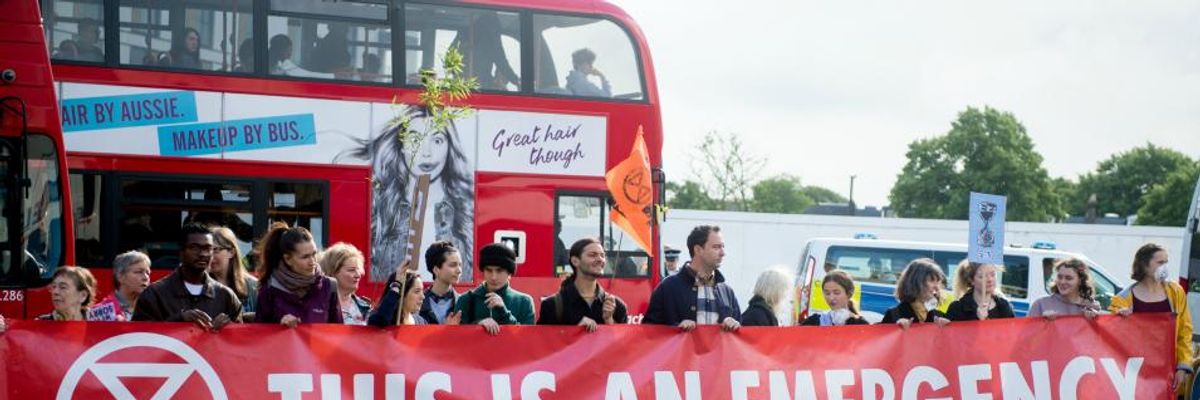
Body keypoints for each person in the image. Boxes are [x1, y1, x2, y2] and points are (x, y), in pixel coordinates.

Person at [338, 106, 474, 283]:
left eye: (437, 141)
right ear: (400, 146)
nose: (426, 152)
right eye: (415, 140)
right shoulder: (380, 210)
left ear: (449, 148)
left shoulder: (465, 213)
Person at [1110, 243, 1193, 393]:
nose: (1165, 267)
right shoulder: (1122, 299)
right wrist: (1119, 318)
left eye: (1166, 262)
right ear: (1144, 264)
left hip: (1167, 370)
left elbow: (1184, 331)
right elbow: (1111, 337)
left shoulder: (1176, 292)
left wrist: (1183, 365)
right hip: (1135, 373)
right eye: (1160, 262)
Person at [133, 224, 241, 331]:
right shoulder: (154, 294)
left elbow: (241, 340)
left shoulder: (226, 296)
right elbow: (140, 338)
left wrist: (229, 327)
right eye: (194, 247)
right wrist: (179, 320)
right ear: (181, 252)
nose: (202, 254)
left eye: (208, 248)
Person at [644, 225, 741, 332]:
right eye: (716, 247)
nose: (723, 253)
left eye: (723, 246)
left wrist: (735, 325)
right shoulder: (668, 287)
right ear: (698, 250)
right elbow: (648, 333)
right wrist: (677, 329)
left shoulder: (727, 292)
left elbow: (740, 339)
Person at [254, 222, 342, 327]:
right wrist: (279, 326)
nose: (312, 261)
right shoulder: (269, 289)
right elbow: (258, 335)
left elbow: (338, 333)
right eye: (305, 257)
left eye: (314, 254)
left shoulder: (329, 286)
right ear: (287, 259)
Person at [537, 238, 628, 330]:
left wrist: (609, 320)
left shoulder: (617, 306)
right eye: (592, 255)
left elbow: (623, 343)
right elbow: (543, 342)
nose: (600, 259)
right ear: (575, 261)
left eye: (602, 255)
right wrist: (575, 331)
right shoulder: (552, 305)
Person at [454, 243, 535, 335]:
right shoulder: (466, 299)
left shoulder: (524, 301)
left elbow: (527, 338)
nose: (493, 277)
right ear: (483, 271)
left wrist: (504, 312)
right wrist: (478, 324)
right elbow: (457, 339)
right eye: (489, 270)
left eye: (499, 271)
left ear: (509, 273)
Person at [881, 258, 950, 328]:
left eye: (937, 282)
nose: (936, 287)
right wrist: (895, 328)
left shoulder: (939, 317)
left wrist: (946, 329)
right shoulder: (894, 315)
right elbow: (881, 337)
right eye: (931, 280)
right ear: (915, 283)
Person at [1028, 258, 1102, 319]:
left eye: (1068, 278)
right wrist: (1042, 322)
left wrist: (1093, 323)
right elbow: (1027, 335)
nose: (1062, 282)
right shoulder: (1041, 305)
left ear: (1080, 281)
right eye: (1059, 277)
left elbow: (1100, 336)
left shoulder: (1091, 308)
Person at [209, 227, 258, 318]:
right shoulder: (199, 285)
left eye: (215, 250)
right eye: (208, 250)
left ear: (231, 252)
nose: (210, 256)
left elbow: (265, 319)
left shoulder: (253, 286)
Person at [319, 242, 371, 326]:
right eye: (351, 270)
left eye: (358, 270)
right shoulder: (319, 306)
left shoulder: (365, 307)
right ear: (332, 272)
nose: (358, 275)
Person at [91, 250, 151, 321]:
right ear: (120, 277)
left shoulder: (155, 309)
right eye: (139, 272)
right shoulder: (99, 312)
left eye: (148, 273)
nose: (145, 277)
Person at [946, 261, 1014, 321]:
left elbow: (1011, 333)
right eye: (982, 276)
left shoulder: (1004, 306)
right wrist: (976, 318)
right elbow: (951, 333)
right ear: (971, 280)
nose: (990, 280)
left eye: (993, 274)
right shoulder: (957, 308)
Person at [417, 241, 463, 325]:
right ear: (436, 270)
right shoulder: (418, 302)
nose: (459, 270)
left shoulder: (463, 302)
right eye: (453, 265)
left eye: (460, 265)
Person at [801, 270, 869, 326]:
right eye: (827, 293)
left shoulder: (860, 324)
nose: (831, 298)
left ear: (849, 293)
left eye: (836, 293)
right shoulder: (814, 321)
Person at [267, 34, 333, 79]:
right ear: (282, 50)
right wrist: (332, 76)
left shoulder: (269, 59)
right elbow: (307, 75)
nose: (290, 53)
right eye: (289, 50)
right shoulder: (284, 64)